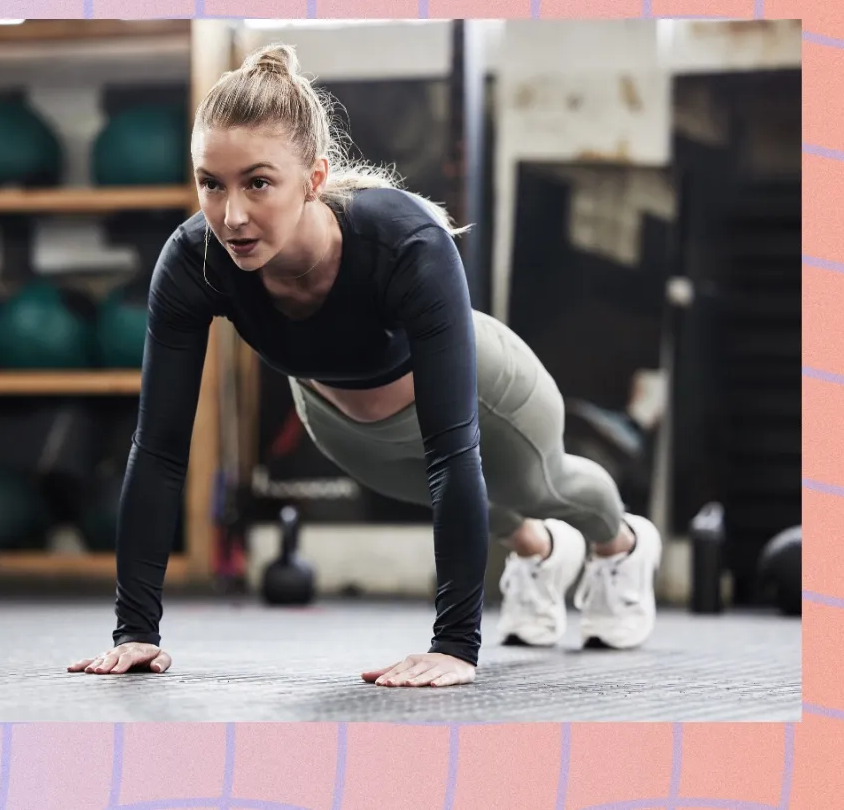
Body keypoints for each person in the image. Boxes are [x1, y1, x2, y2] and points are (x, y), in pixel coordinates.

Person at [68, 43, 662, 688]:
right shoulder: (195, 261)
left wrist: (455, 646)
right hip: (340, 415)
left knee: (543, 488)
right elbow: (158, 450)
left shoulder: (402, 242)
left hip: (485, 390)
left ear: (315, 178)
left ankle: (618, 546)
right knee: (465, 502)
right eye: (212, 184)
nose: (232, 215)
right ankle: (541, 553)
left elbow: (453, 447)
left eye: (258, 183)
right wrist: (135, 632)